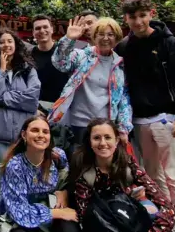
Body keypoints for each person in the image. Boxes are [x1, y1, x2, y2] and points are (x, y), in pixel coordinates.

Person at [116, 0, 175, 232]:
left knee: (174, 175)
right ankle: (166, 224)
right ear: (126, 19)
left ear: (150, 13)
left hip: (166, 119)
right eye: (133, 17)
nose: (138, 21)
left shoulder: (169, 44)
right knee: (153, 178)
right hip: (139, 121)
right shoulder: (125, 47)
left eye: (142, 15)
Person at [0, 116, 79, 232]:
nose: (41, 135)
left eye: (45, 131)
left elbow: (69, 177)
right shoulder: (15, 165)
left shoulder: (58, 156)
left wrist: (63, 191)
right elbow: (19, 210)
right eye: (35, 130)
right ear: (24, 135)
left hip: (54, 206)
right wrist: (58, 214)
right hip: (28, 215)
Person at [0, 28, 41, 218]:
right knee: (4, 174)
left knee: (25, 173)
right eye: (1, 42)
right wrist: (1, 71)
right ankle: (5, 211)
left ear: (16, 44)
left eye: (9, 41)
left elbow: (32, 98)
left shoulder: (27, 69)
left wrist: (4, 98)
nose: (6, 45)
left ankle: (23, 210)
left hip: (23, 132)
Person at [48, 17, 132, 153]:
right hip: (77, 124)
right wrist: (69, 39)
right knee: (77, 165)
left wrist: (123, 128)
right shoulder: (82, 55)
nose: (105, 38)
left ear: (116, 38)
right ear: (94, 36)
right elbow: (60, 63)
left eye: (110, 34)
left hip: (105, 126)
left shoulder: (119, 64)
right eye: (101, 34)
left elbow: (124, 99)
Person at [29, 15, 70, 111]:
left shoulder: (63, 52)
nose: (42, 31)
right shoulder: (28, 56)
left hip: (62, 108)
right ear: (33, 32)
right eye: (38, 28)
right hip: (37, 109)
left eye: (45, 27)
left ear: (52, 29)